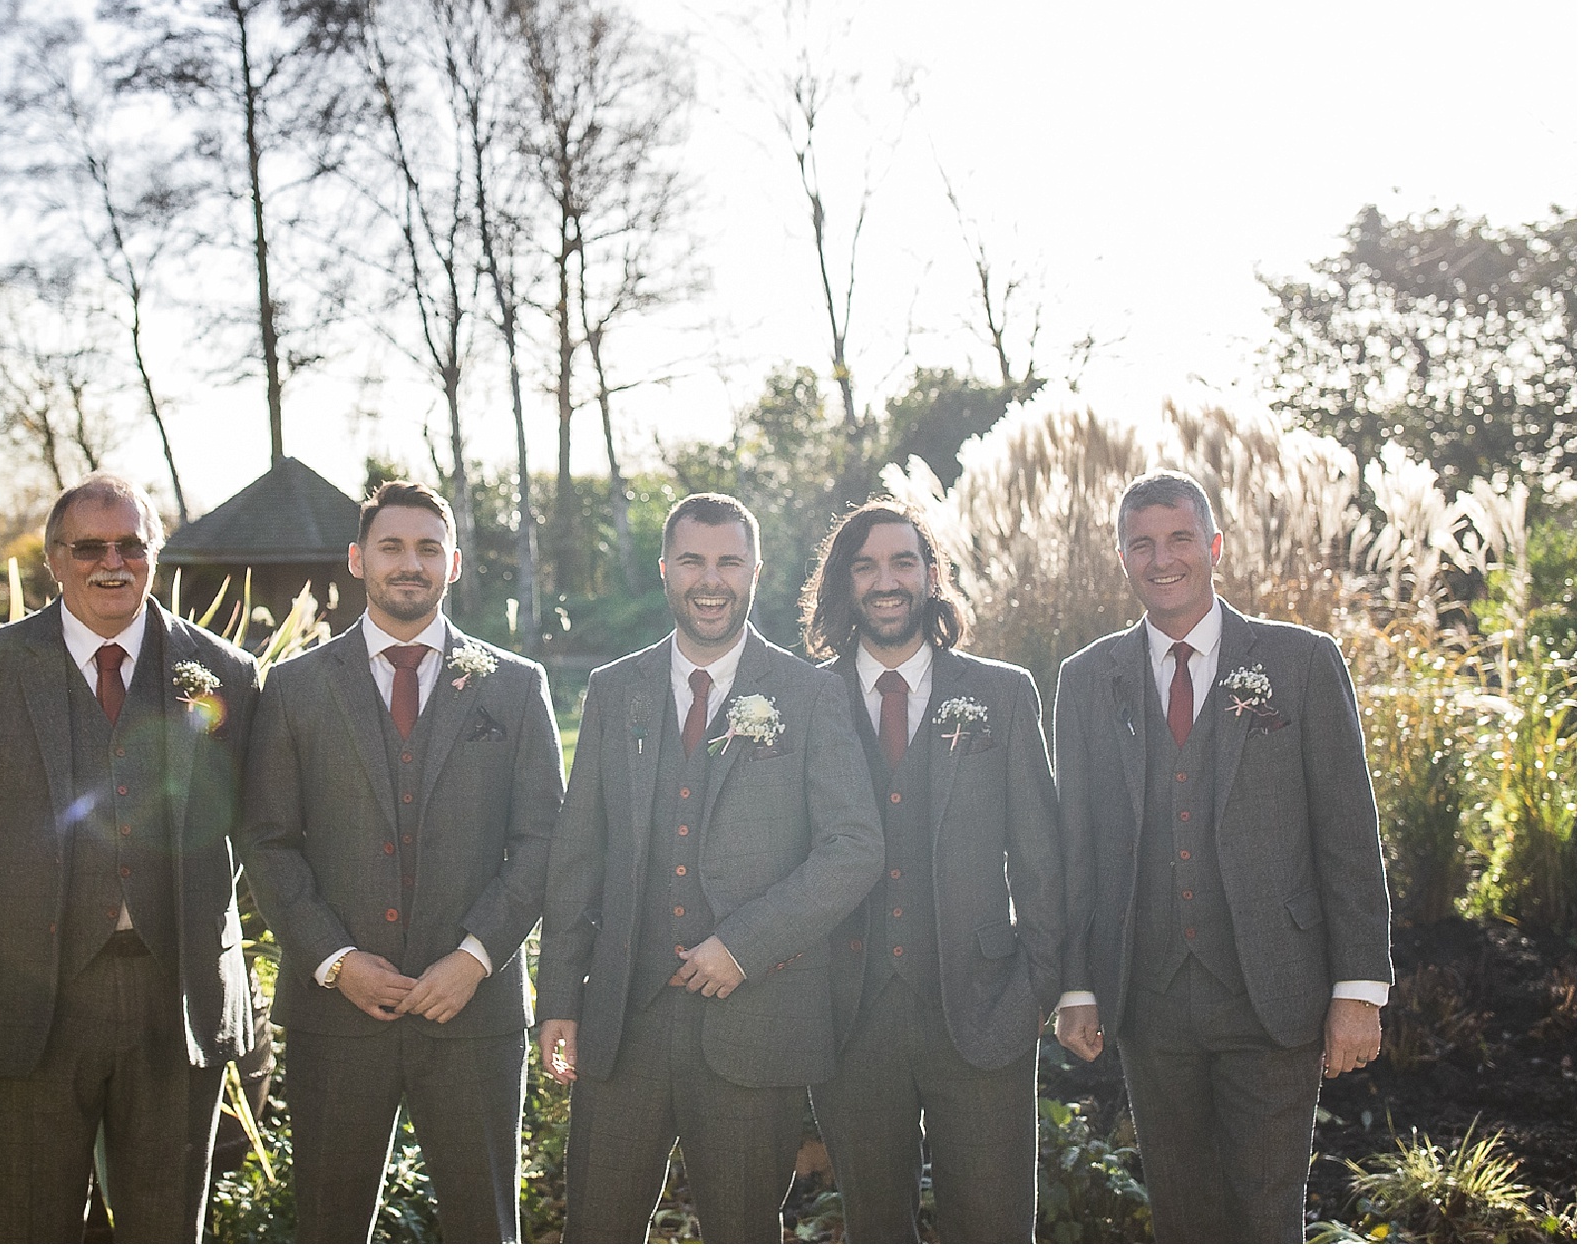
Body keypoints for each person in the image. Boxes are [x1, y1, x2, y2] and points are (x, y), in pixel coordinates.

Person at [0, 472, 260, 1242]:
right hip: (30, 991)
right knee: (26, 1225)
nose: (113, 562)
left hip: (177, 996)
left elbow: (245, 827)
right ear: (55, 560)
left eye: (131, 544)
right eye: (90, 547)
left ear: (155, 553)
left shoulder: (226, 672)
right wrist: (21, 925)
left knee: (167, 1227)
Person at [1054, 469, 1392, 1242]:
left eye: (1179, 539)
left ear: (1213, 546)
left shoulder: (1300, 662)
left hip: (1274, 986)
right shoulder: (1085, 678)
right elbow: (1077, 844)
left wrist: (1359, 988)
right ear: (1122, 557)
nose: (1161, 558)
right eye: (1142, 544)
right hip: (1149, 994)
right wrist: (1076, 984)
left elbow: (1348, 834)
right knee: (1180, 1215)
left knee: (1265, 1214)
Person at [538, 493, 882, 1242]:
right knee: (594, 1231)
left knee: (742, 1233)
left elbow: (854, 846)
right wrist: (560, 996)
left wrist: (745, 945)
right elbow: (578, 858)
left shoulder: (811, 693)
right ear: (665, 569)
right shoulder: (612, 690)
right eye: (692, 559)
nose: (710, 579)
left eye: (729, 560)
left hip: (756, 1024)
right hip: (626, 1018)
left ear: (756, 570)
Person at [242, 480, 565, 1241]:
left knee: (486, 1228)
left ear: (453, 564)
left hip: (473, 1015)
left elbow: (545, 839)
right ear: (358, 559)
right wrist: (335, 959)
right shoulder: (294, 689)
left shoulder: (516, 688)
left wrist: (476, 956)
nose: (408, 564)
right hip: (336, 1013)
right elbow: (266, 840)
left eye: (427, 548)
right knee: (329, 1227)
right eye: (391, 546)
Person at [799, 500, 1061, 1242]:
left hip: (985, 1010)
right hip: (849, 1017)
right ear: (844, 584)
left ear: (930, 576)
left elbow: (1041, 858)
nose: (887, 581)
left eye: (903, 562)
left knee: (996, 1229)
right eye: (866, 565)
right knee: (877, 1230)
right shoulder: (803, 698)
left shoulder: (1002, 693)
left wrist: (1036, 991)